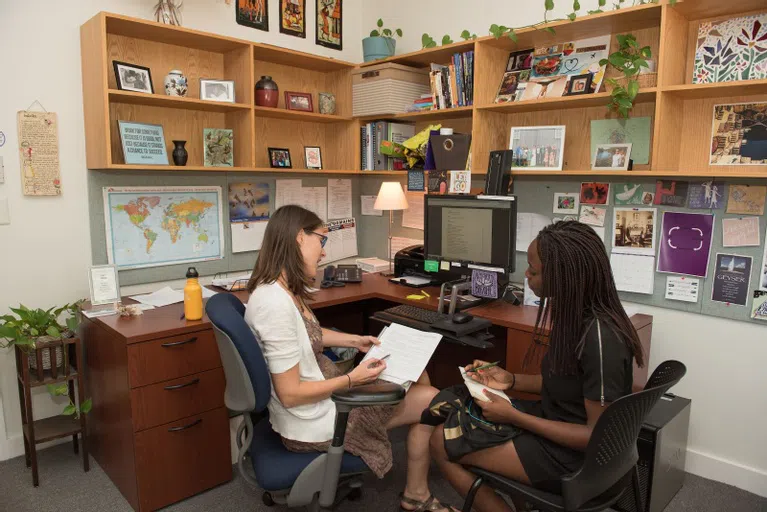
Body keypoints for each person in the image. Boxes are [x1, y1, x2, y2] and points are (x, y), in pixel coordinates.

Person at [245, 205, 455, 512]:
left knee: (419, 371)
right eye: (322, 241)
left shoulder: (275, 290)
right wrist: (352, 379)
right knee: (432, 400)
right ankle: (418, 494)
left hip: (324, 397)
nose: (323, 252)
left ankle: (416, 489)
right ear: (299, 238)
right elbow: (290, 395)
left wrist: (354, 340)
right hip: (319, 419)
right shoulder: (275, 306)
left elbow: (305, 334)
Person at [429, 220, 645, 512]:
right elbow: (566, 386)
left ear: (562, 276)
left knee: (440, 444)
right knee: (464, 407)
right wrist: (511, 380)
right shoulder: (576, 315)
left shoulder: (599, 337)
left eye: (534, 270)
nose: (526, 275)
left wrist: (515, 417)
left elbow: (596, 436)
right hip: (555, 425)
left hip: (574, 458)